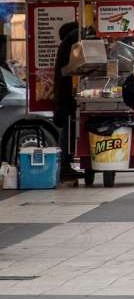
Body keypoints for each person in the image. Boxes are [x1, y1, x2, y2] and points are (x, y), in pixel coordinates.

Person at [52, 21, 80, 181]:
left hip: (63, 94)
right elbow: (69, 69)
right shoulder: (73, 39)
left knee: (67, 129)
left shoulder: (65, 43)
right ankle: (64, 166)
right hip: (66, 94)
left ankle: (65, 165)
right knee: (68, 130)